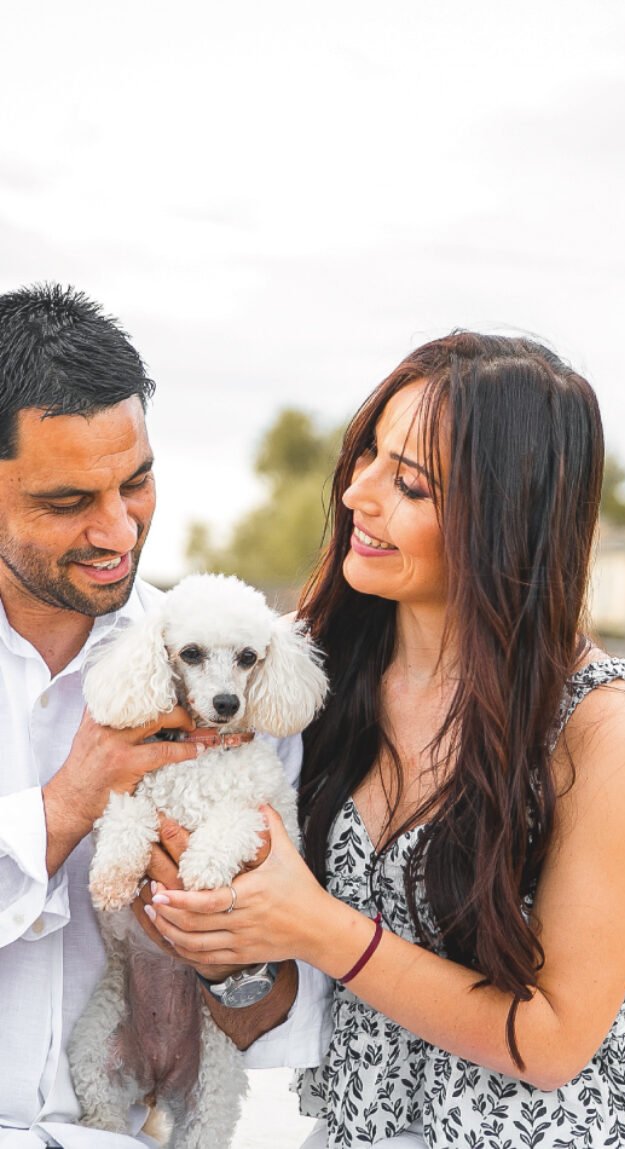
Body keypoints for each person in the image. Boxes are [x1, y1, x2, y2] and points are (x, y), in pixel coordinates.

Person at [147, 332, 625, 1147]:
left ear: (506, 518)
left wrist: (315, 925)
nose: (357, 495)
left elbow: (554, 1043)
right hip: (376, 1125)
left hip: (577, 1128)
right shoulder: (299, 678)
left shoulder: (601, 723)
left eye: (409, 484)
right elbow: (267, 1000)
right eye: (368, 456)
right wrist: (223, 949)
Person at [0, 283, 325, 1148]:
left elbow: (274, 1010)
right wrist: (70, 802)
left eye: (137, 482)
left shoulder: (235, 681)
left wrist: (241, 953)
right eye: (67, 502)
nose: (119, 530)